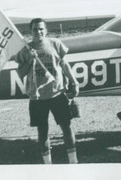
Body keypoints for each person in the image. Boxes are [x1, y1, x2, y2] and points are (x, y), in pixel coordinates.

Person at [15, 18, 80, 164]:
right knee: (42, 131)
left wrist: (74, 81)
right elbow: (20, 73)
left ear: (46, 30)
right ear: (30, 32)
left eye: (41, 29)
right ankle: (48, 165)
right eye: (35, 29)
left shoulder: (55, 44)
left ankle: (73, 162)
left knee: (67, 127)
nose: (38, 32)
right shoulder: (26, 49)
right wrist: (30, 59)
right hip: (37, 97)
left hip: (57, 93)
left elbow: (64, 64)